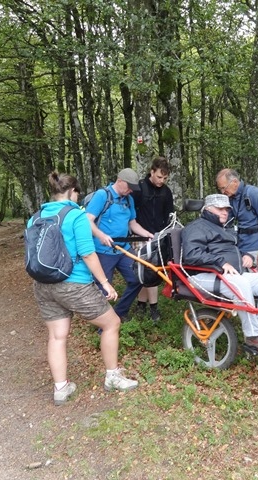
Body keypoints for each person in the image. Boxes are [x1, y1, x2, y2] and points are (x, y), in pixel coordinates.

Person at [30, 171, 138, 406]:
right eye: (78, 193)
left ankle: (60, 388)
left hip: (43, 284)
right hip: (74, 284)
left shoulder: (36, 216)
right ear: (73, 192)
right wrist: (105, 283)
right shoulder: (75, 215)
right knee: (112, 323)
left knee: (57, 336)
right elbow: (88, 253)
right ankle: (112, 377)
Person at [180, 194, 258, 356]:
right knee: (240, 283)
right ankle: (253, 336)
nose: (225, 212)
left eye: (227, 209)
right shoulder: (196, 228)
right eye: (220, 209)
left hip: (228, 275)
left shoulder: (223, 228)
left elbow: (232, 249)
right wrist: (221, 263)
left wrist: (247, 256)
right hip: (201, 276)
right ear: (208, 209)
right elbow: (192, 255)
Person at [85, 168, 154, 322]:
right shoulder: (102, 195)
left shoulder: (128, 199)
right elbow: (87, 220)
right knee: (104, 289)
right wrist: (101, 235)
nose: (130, 191)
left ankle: (118, 313)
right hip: (103, 250)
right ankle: (103, 324)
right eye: (129, 187)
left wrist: (148, 235)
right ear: (120, 181)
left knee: (138, 278)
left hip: (123, 249)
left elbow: (133, 223)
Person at [132, 157, 175, 322]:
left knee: (152, 271)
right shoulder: (140, 189)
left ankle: (145, 306)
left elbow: (169, 215)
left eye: (165, 178)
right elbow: (131, 214)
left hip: (158, 237)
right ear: (152, 171)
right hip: (139, 236)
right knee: (145, 272)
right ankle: (150, 308)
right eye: (159, 177)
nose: (161, 181)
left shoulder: (166, 192)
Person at [216, 169, 258, 272]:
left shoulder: (253, 193)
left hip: (257, 247)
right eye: (220, 189)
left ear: (234, 182)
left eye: (224, 188)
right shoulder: (232, 198)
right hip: (242, 248)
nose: (223, 192)